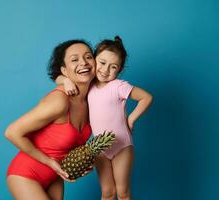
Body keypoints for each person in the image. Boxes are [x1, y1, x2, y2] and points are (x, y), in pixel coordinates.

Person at [56, 36, 153, 200]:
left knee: (123, 193)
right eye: (102, 63)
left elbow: (146, 97)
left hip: (122, 146)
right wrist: (66, 81)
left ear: (119, 70)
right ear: (94, 60)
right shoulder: (89, 83)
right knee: (107, 193)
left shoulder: (118, 86)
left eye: (113, 67)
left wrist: (131, 119)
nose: (105, 70)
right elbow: (58, 76)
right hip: (99, 149)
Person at [5, 39, 96, 200]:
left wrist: (83, 162)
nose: (83, 62)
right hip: (26, 174)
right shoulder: (60, 101)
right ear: (64, 70)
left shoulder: (93, 100)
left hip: (54, 177)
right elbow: (12, 132)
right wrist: (49, 162)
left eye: (88, 57)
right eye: (74, 59)